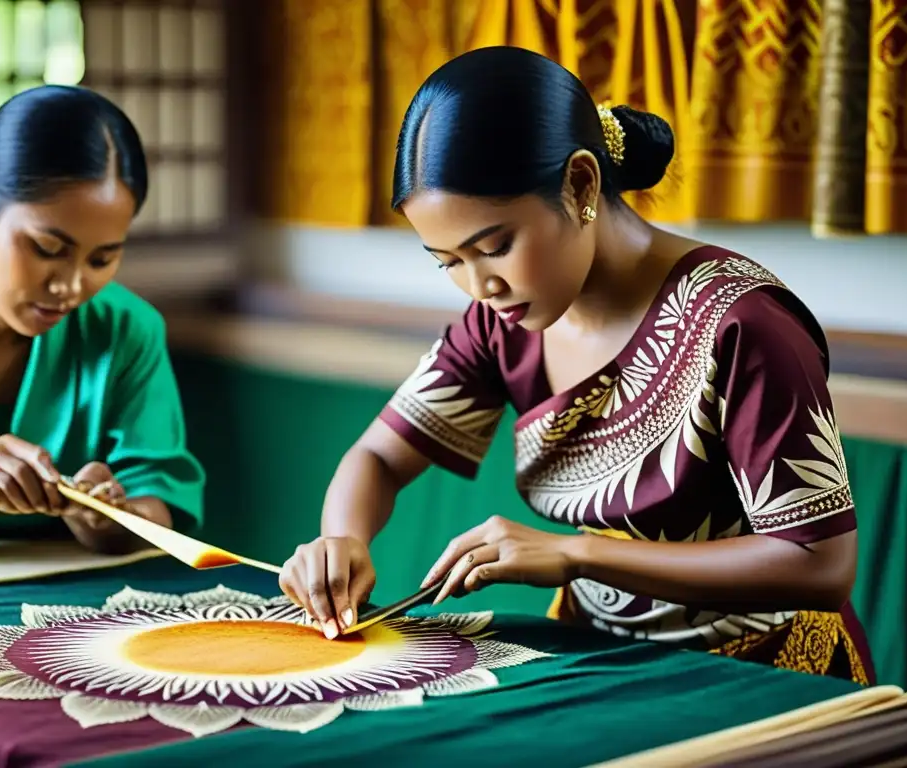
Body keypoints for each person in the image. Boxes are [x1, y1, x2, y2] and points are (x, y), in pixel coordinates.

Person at [278, 47, 873, 684]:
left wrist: (575, 555)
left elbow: (819, 564)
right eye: (447, 261)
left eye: (495, 247)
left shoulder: (741, 322)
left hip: (767, 673)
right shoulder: (501, 325)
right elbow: (378, 458)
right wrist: (341, 540)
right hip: (597, 656)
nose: (481, 286)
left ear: (581, 185)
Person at [0, 85, 205, 554]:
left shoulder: (125, 328)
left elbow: (159, 507)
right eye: (47, 249)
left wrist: (107, 516)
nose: (72, 287)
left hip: (66, 602)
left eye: (102, 260)